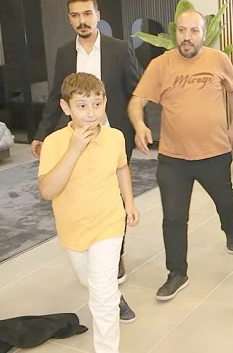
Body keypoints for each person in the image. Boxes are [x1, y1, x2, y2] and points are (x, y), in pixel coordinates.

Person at [127, 9, 233, 302]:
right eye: (182, 30)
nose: (187, 37)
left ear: (203, 34)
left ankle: (230, 229)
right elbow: (136, 101)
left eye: (193, 31)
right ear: (175, 32)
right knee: (174, 217)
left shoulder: (218, 59)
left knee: (225, 200)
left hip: (214, 152)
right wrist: (139, 125)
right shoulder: (160, 65)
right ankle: (177, 273)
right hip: (173, 158)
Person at [32, 0, 140, 284]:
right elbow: (56, 94)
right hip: (76, 136)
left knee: (115, 193)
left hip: (112, 134)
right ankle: (87, 244)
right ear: (69, 19)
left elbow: (135, 92)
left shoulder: (120, 49)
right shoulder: (64, 53)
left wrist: (139, 126)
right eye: (75, 15)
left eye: (87, 13)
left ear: (98, 15)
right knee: (82, 191)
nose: (82, 20)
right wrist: (42, 133)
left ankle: (114, 252)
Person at [38, 73, 140, 353]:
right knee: (90, 281)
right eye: (82, 106)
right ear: (65, 107)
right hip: (73, 228)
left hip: (109, 223)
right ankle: (113, 295)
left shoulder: (115, 137)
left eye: (97, 104)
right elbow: (47, 190)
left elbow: (121, 167)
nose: (91, 113)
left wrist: (129, 202)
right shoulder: (55, 142)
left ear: (105, 101)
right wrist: (74, 149)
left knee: (101, 296)